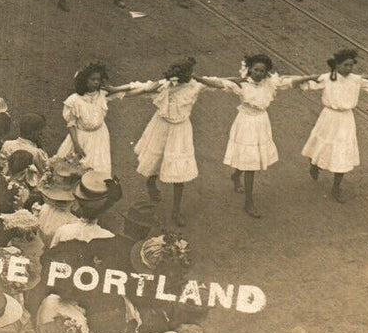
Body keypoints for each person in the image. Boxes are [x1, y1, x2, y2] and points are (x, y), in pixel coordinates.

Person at [199, 56, 315, 218]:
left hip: (261, 123)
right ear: (249, 69)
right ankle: (249, 202)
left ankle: (236, 175)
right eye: (256, 70)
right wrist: (196, 78)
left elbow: (290, 82)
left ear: (266, 72)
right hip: (245, 123)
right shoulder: (241, 84)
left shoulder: (270, 83)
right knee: (250, 163)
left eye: (262, 71)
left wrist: (309, 77)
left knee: (250, 159)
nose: (259, 73)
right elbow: (218, 83)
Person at [299, 48, 368, 203]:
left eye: (351, 65)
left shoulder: (356, 79)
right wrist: (307, 78)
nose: (349, 68)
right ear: (337, 65)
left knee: (342, 151)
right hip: (329, 117)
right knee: (321, 144)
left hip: (346, 119)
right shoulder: (327, 78)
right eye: (345, 65)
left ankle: (336, 187)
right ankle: (314, 164)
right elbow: (308, 84)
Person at [132, 59, 205, 226]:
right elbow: (138, 89)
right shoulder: (164, 86)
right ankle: (151, 181)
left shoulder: (195, 86)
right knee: (156, 159)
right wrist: (113, 91)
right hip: (161, 126)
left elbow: (221, 83)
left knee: (179, 170)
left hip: (180, 131)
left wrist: (245, 79)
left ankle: (176, 211)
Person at [58, 62, 149, 175]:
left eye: (98, 79)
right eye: (93, 79)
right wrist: (76, 145)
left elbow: (135, 91)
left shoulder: (103, 95)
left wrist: (115, 89)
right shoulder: (74, 100)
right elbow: (71, 125)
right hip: (80, 137)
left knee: (97, 172)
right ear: (84, 80)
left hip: (99, 137)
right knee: (73, 170)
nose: (96, 82)